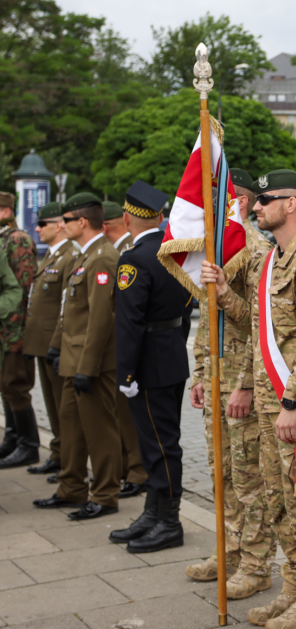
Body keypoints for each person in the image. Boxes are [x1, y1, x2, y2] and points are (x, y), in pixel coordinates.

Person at [201, 170, 296, 629]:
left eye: (266, 201)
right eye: (256, 201)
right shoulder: (269, 261)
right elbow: (257, 330)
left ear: (292, 204)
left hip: (292, 406)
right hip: (266, 404)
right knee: (279, 504)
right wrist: (223, 294)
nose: (256, 208)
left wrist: (294, 402)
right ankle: (295, 588)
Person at [185, 169, 278, 597]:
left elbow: (256, 324)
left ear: (237, 200)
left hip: (244, 383)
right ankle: (230, 551)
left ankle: (257, 563)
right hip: (217, 379)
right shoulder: (216, 247)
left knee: (247, 479)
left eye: (218, 199)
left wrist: (242, 384)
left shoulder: (253, 249)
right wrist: (202, 374)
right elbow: (209, 322)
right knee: (220, 474)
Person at [105, 182, 194, 551]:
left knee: (159, 447)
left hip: (147, 367)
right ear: (160, 216)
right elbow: (186, 309)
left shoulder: (135, 259)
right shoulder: (176, 253)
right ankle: (153, 514)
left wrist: (125, 373)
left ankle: (169, 523)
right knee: (160, 444)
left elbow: (128, 323)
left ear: (127, 218)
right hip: (171, 357)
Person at [33, 193, 121, 520]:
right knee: (70, 427)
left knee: (99, 430)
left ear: (81, 222)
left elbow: (101, 319)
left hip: (91, 362)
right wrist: (56, 346)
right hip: (73, 358)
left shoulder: (102, 258)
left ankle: (105, 493)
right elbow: (69, 310)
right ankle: (71, 486)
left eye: (66, 220)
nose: (61, 225)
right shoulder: (83, 256)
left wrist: (88, 366)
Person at [19, 203, 78, 474]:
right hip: (42, 343)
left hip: (57, 344)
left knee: (62, 407)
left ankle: (66, 458)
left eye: (43, 224)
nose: (37, 228)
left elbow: (66, 306)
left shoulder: (69, 256)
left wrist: (56, 343)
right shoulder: (53, 255)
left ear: (59, 225)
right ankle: (58, 453)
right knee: (53, 407)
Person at [101, 199, 147, 497]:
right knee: (117, 413)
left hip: (128, 346)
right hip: (116, 344)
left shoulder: (129, 253)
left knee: (129, 414)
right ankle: (125, 466)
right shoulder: (120, 252)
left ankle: (137, 470)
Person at [0, 191, 39, 470]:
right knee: (5, 384)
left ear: (5, 211)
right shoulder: (4, 238)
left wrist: (17, 322)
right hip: (5, 325)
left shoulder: (17, 239)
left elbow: (24, 286)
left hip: (16, 326)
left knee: (16, 384)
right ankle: (13, 437)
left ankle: (29, 445)